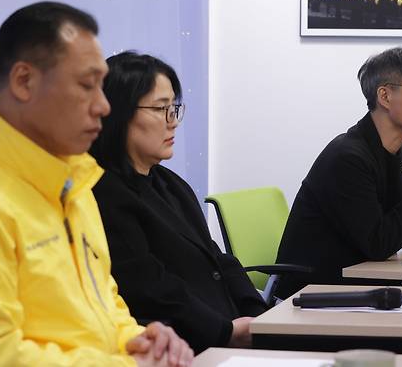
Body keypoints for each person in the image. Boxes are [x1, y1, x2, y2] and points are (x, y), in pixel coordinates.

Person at [0, 2, 193, 367]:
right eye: (87, 85)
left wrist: (141, 340)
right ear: (24, 81)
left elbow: (105, 304)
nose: (104, 106)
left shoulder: (74, 183)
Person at [89, 51, 268, 354]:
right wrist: (225, 332)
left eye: (174, 108)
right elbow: (149, 288)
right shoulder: (104, 193)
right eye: (160, 109)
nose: (172, 122)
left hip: (228, 334)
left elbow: (218, 259)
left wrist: (262, 317)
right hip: (185, 345)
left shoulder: (171, 183)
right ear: (118, 114)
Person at [274, 47, 402, 299]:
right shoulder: (347, 158)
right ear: (385, 96)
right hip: (313, 296)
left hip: (360, 288)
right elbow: (377, 243)